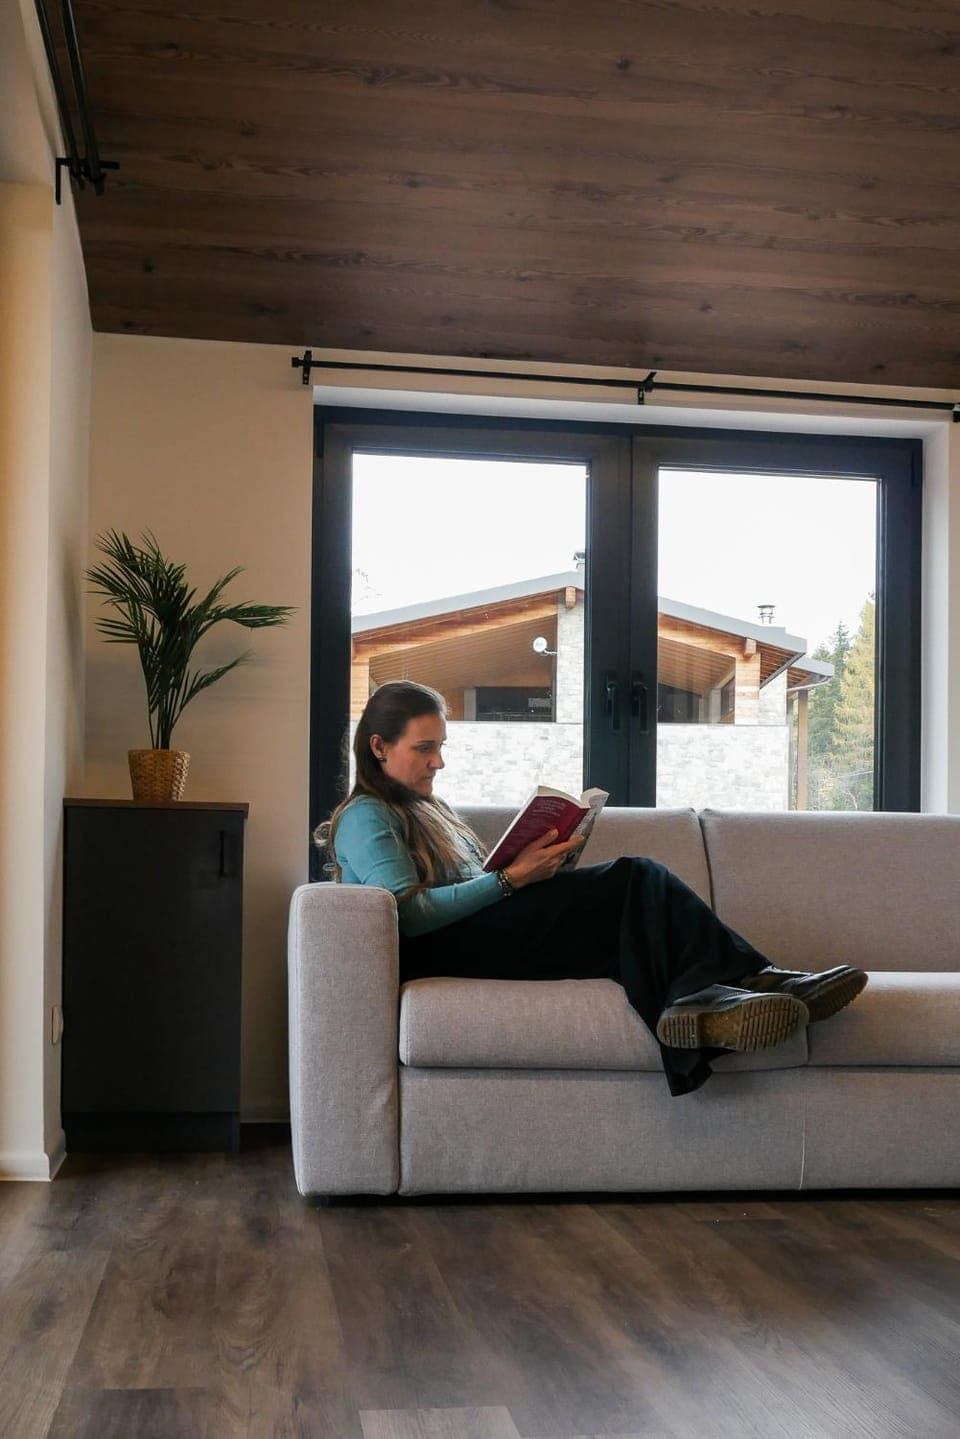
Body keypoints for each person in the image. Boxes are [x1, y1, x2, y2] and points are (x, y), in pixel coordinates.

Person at [322, 680, 867, 1097]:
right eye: (424, 748)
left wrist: (533, 866)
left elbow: (469, 883)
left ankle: (702, 1005)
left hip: (478, 930)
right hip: (448, 946)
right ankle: (747, 981)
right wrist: (511, 878)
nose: (438, 761)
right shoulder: (367, 815)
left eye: (441, 746)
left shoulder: (425, 808)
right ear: (379, 746)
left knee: (626, 927)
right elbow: (410, 916)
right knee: (636, 878)